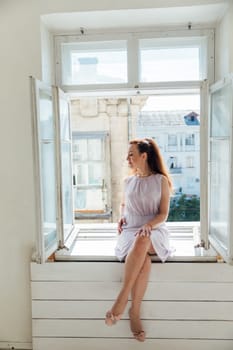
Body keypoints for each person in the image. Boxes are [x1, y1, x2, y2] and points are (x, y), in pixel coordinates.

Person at [105, 138, 174, 342]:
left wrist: (149, 226)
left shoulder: (161, 181)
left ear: (144, 156)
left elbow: (163, 214)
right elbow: (124, 206)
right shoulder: (128, 182)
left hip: (154, 231)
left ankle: (121, 298)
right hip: (130, 231)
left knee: (143, 240)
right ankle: (134, 312)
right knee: (142, 259)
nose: (127, 158)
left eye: (131, 154)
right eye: (127, 155)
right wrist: (121, 218)